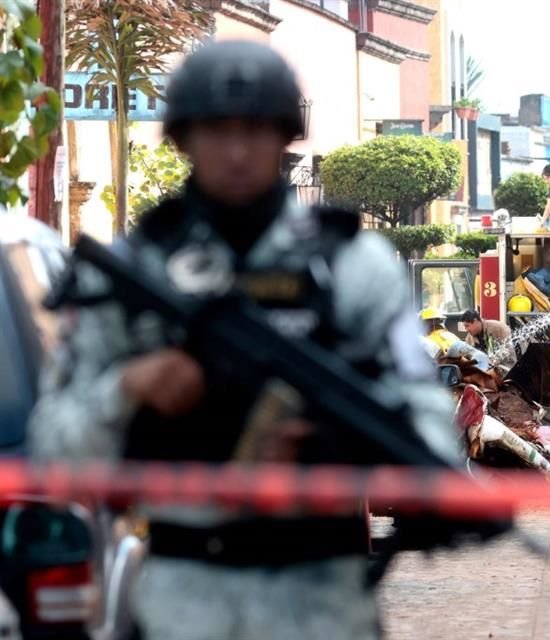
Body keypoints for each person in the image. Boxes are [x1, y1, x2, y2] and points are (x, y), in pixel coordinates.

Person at [28, 41, 460, 640]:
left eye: (255, 130)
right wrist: (128, 387)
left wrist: (359, 448)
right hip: (182, 600)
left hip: (322, 603)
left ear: (284, 135)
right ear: (183, 137)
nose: (236, 151)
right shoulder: (133, 271)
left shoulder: (354, 266)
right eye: (216, 130)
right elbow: (52, 447)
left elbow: (426, 410)